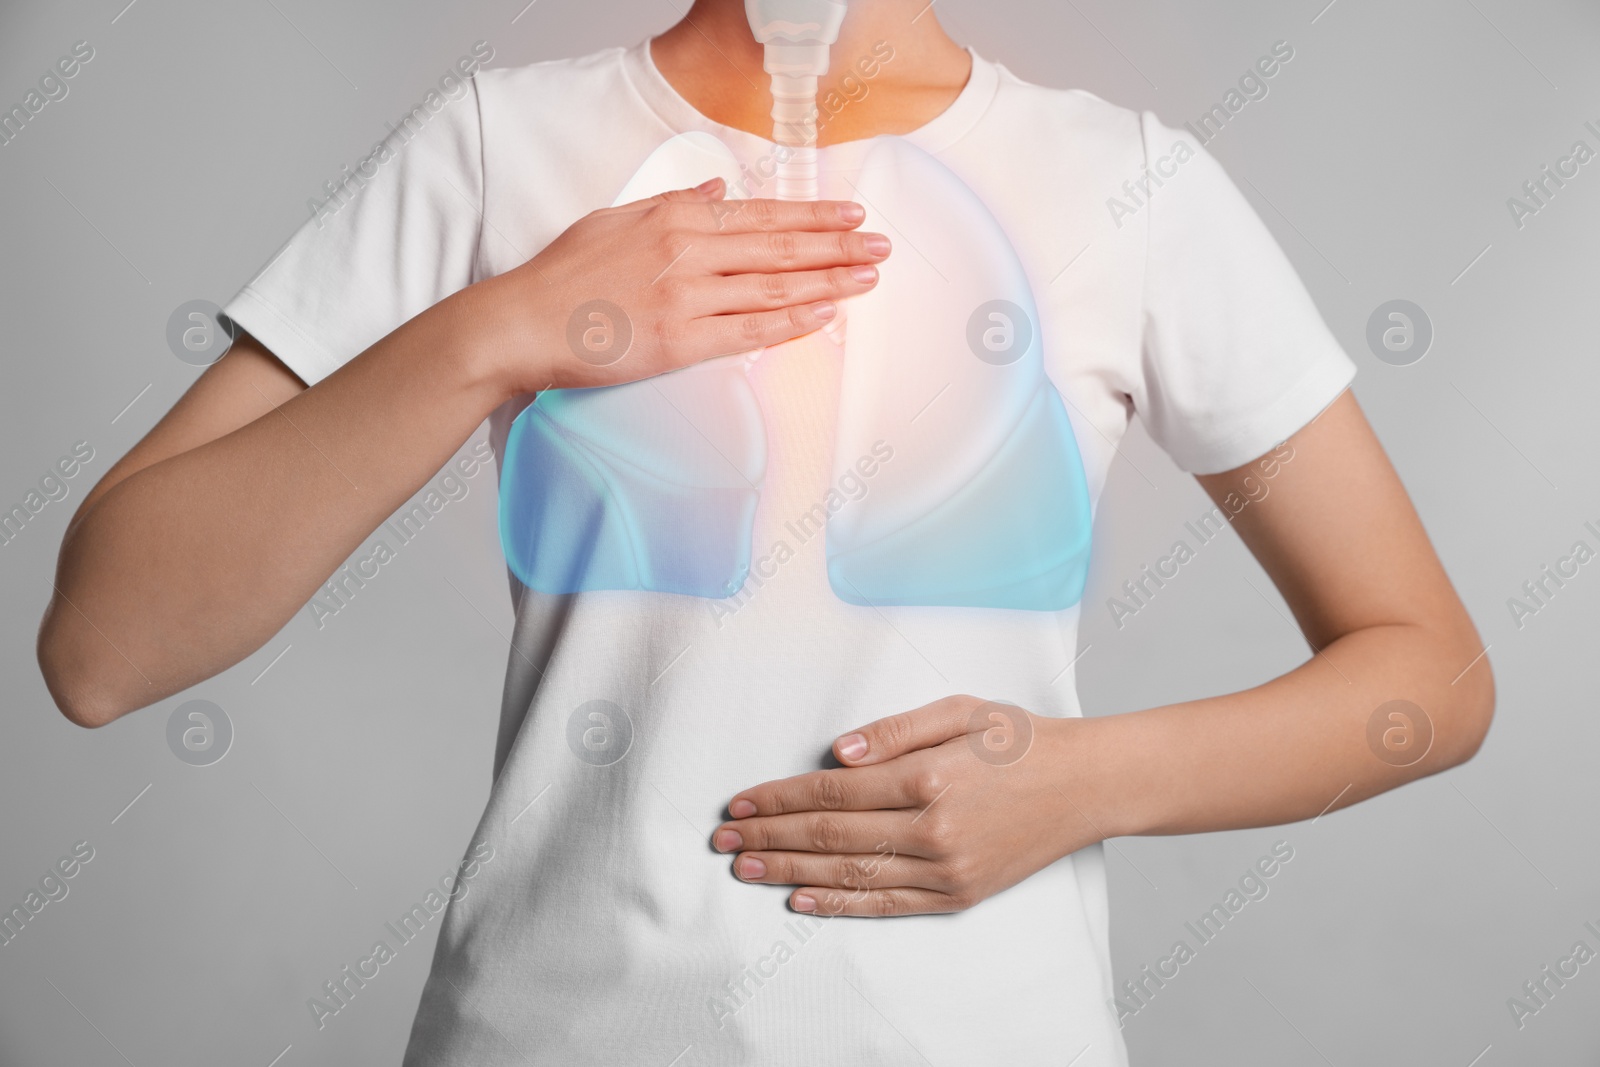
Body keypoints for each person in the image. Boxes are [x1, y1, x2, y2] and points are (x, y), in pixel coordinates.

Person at [38, 2, 1494, 1063]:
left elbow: (1427, 679)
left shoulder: (1125, 184)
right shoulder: (503, 149)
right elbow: (105, 649)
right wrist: (501, 330)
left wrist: (1081, 781)